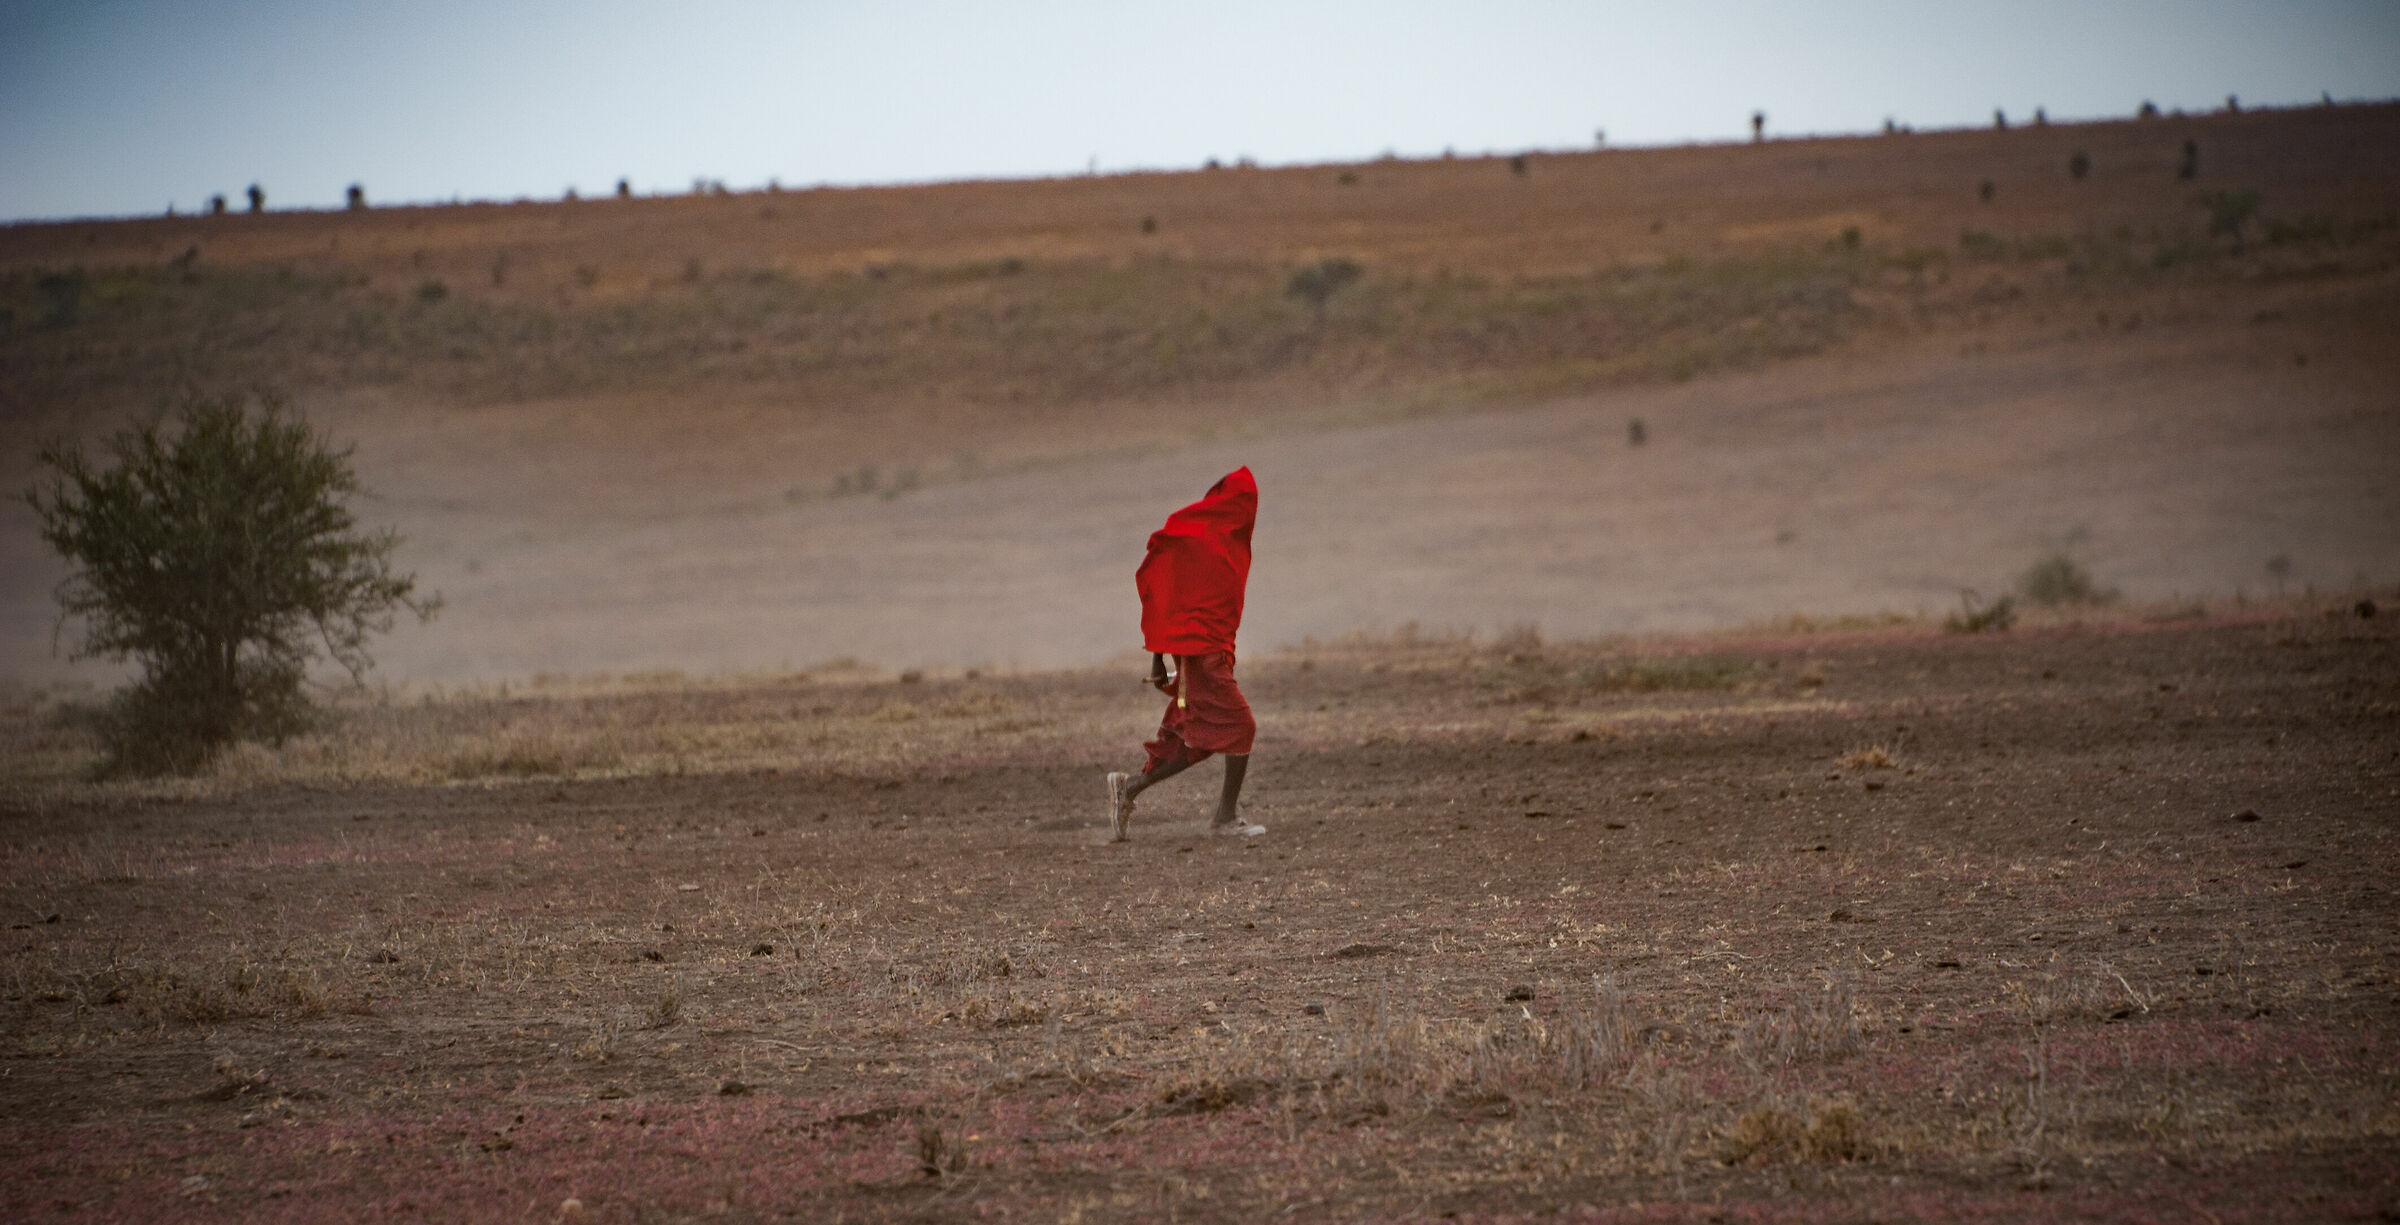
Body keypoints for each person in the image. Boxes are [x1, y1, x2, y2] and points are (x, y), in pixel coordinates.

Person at [1107, 467, 1265, 841]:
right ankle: (1225, 818)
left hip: (1207, 653)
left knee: (1200, 735)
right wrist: (1158, 656)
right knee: (1240, 727)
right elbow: (1170, 593)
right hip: (1204, 656)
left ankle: (1130, 787)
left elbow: (1176, 599)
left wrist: (1160, 656)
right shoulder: (1207, 544)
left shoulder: (1221, 544)